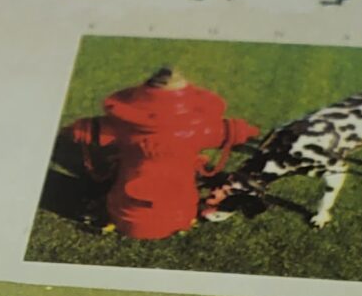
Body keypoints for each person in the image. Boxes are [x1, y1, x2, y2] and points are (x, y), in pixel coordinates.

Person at [53, 67, 258, 240]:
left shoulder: (124, 125)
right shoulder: (198, 129)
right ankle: (177, 219)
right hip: (180, 204)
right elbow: (233, 132)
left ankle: (114, 215)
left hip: (126, 201)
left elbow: (88, 131)